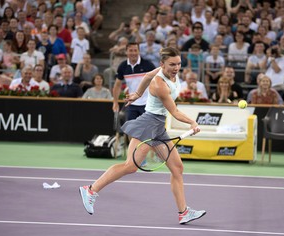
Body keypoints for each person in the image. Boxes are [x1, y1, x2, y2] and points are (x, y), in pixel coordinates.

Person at [79, 47, 206, 224]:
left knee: (177, 168)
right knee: (131, 166)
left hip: (158, 127)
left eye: (178, 63)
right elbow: (175, 112)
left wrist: (137, 94)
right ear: (162, 64)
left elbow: (145, 76)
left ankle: (183, 212)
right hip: (148, 125)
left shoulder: (166, 73)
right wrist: (192, 123)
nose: (176, 67)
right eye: (172, 64)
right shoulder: (159, 83)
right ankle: (91, 190)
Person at [112, 42, 156, 121]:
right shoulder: (123, 66)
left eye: (135, 50)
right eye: (131, 50)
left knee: (146, 130)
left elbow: (158, 81)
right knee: (131, 131)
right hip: (132, 104)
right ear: (126, 52)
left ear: (139, 51)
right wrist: (115, 102)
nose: (133, 53)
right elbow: (117, 85)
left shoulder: (148, 65)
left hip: (148, 103)